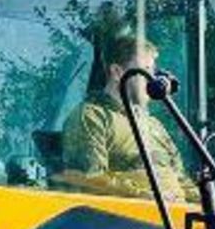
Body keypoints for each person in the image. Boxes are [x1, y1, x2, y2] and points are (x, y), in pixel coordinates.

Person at [53, 30, 197, 201]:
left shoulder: (154, 125)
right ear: (117, 72)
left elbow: (183, 182)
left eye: (153, 71)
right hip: (132, 220)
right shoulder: (91, 117)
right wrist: (146, 196)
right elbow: (88, 180)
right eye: (145, 71)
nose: (153, 80)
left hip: (178, 217)